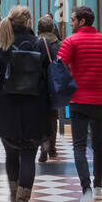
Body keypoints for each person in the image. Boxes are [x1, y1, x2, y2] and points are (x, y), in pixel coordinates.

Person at [0, 6, 52, 202]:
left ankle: (14, 196)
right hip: (35, 107)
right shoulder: (41, 45)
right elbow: (50, 75)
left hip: (7, 106)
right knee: (29, 156)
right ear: (28, 22)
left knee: (11, 155)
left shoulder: (2, 45)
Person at [58, 6, 102, 202]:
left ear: (81, 21)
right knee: (97, 144)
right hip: (98, 100)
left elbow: (59, 66)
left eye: (72, 20)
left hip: (78, 100)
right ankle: (98, 188)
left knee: (79, 146)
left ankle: (86, 190)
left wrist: (71, 79)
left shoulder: (71, 42)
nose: (70, 23)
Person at [36, 16, 63, 162]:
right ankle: (52, 148)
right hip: (55, 85)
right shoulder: (60, 44)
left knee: (40, 117)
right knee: (53, 118)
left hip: (39, 86)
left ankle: (43, 146)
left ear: (38, 29)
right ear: (52, 28)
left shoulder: (35, 43)